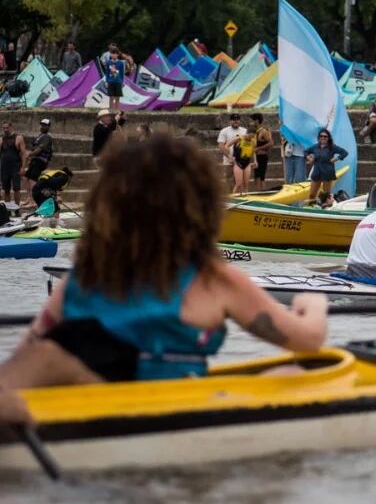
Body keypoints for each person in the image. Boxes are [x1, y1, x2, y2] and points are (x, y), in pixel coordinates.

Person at [0, 135, 328, 392]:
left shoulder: (82, 280)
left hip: (101, 400)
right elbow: (308, 340)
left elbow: (27, 356)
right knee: (292, 371)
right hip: (176, 409)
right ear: (199, 208)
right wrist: (311, 304)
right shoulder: (214, 280)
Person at [305, 128, 349, 207]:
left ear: (328, 138)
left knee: (326, 195)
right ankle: (310, 208)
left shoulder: (332, 147)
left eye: (325, 136)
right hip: (317, 172)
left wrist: (336, 158)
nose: (323, 138)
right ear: (319, 137)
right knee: (312, 194)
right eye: (321, 136)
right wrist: (309, 158)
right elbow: (305, 151)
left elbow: (344, 153)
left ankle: (326, 210)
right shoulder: (315, 147)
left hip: (327, 173)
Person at [229, 119, 257, 195]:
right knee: (238, 184)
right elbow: (227, 145)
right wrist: (230, 157)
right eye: (250, 136)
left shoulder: (253, 141)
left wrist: (255, 161)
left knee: (246, 184)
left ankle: (245, 197)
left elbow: (253, 151)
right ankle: (232, 199)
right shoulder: (239, 138)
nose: (250, 138)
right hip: (238, 163)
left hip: (247, 163)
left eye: (252, 137)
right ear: (247, 133)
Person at [0, 120, 23, 211]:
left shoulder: (18, 138)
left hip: (15, 167)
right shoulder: (2, 139)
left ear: (11, 127)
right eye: (3, 128)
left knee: (16, 189)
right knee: (6, 190)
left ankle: (17, 208)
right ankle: (8, 210)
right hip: (5, 167)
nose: (5, 129)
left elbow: (23, 153)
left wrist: (23, 167)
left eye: (7, 127)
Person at [24, 117, 55, 186]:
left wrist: (29, 154)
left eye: (45, 125)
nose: (42, 127)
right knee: (27, 178)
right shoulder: (40, 136)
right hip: (35, 160)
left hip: (40, 161)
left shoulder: (47, 137)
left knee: (32, 179)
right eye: (42, 125)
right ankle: (30, 196)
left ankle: (34, 195)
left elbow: (39, 150)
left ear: (48, 127)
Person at [102, 45, 131, 117]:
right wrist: (106, 81)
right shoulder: (109, 62)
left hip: (118, 81)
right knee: (111, 96)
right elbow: (107, 73)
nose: (113, 55)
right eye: (112, 53)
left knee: (117, 96)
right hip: (110, 82)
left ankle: (116, 110)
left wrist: (122, 82)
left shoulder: (121, 63)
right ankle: (111, 110)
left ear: (118, 54)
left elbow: (122, 73)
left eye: (115, 53)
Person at [249, 113, 274, 192]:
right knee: (256, 177)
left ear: (256, 121)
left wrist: (259, 148)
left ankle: (262, 192)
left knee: (261, 176)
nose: (250, 123)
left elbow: (271, 143)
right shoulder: (254, 131)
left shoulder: (263, 131)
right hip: (256, 157)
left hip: (262, 157)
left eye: (251, 121)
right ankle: (258, 191)